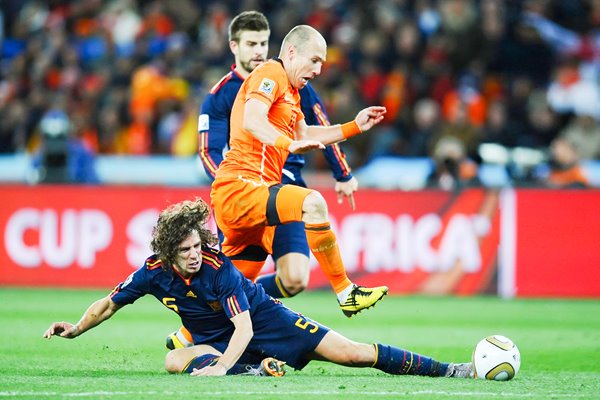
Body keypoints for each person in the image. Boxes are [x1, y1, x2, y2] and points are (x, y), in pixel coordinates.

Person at [43, 198, 474, 379]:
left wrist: (216, 370)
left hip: (265, 323)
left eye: (197, 244)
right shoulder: (152, 272)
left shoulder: (219, 269)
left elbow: (244, 329)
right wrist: (77, 328)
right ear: (168, 251)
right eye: (186, 249)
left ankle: (450, 370)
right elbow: (108, 305)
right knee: (175, 359)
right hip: (216, 340)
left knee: (353, 354)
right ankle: (253, 372)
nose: (195, 253)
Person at [209, 23, 388, 318]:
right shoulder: (270, 73)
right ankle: (346, 292)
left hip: (257, 194)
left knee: (230, 296)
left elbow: (305, 134)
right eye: (314, 60)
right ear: (292, 52)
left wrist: (355, 126)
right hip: (240, 186)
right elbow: (252, 120)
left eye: (322, 63)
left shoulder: (291, 93)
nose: (318, 70)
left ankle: (185, 338)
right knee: (313, 202)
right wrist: (286, 144)